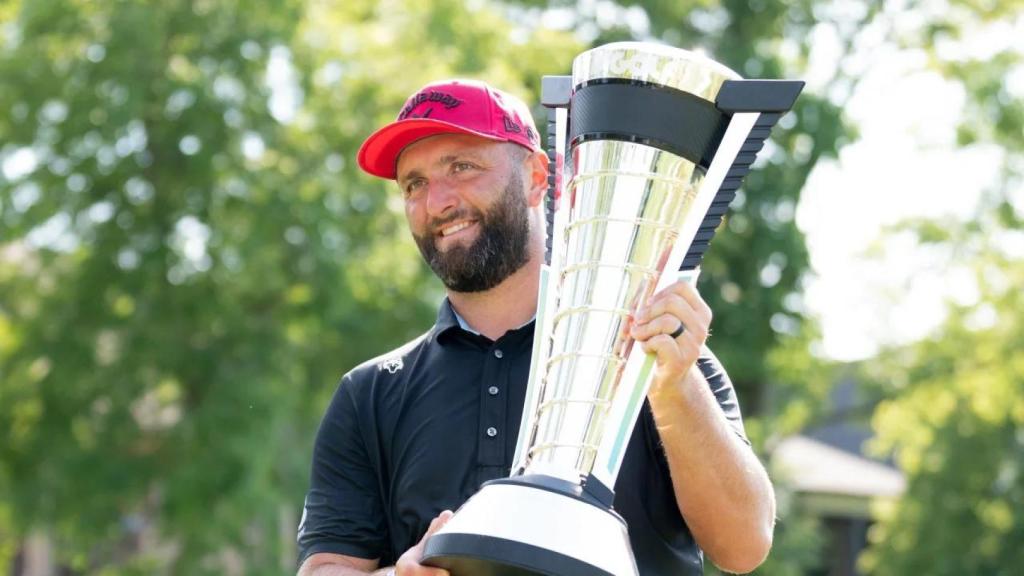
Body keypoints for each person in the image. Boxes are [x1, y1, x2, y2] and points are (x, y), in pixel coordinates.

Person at [296, 79, 775, 576]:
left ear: (537, 177)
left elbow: (744, 547)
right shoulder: (371, 393)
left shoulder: (655, 352)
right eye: (413, 184)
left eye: (461, 166)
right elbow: (326, 567)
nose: (436, 201)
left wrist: (674, 386)